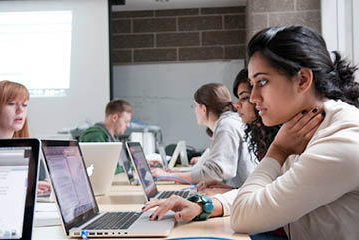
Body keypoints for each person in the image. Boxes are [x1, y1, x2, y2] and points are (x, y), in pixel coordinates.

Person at [142, 25, 359, 240]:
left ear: (302, 79)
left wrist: (278, 150)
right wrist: (206, 205)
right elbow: (272, 192)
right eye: (253, 84)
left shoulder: (343, 139)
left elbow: (244, 215)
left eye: (262, 82)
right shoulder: (304, 126)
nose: (253, 98)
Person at [151, 83, 256, 189]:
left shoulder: (226, 126)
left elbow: (215, 172)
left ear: (203, 108)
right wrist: (177, 173)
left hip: (240, 198)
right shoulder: (230, 121)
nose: (195, 110)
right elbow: (212, 166)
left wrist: (169, 176)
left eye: (195, 106)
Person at [197, 69, 281, 197]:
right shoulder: (260, 134)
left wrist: (231, 193)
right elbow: (265, 191)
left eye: (245, 98)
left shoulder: (281, 138)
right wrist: (232, 190)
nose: (236, 105)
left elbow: (273, 196)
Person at [0, 80, 51, 195]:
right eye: (11, 103)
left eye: (24, 104)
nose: (20, 110)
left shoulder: (25, 150)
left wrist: (30, 187)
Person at [79, 99, 132, 174]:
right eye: (126, 121)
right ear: (114, 118)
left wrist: (138, 166)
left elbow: (122, 166)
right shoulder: (94, 136)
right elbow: (99, 170)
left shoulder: (113, 138)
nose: (128, 125)